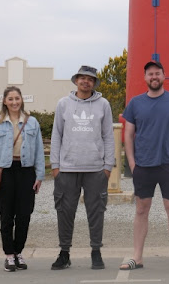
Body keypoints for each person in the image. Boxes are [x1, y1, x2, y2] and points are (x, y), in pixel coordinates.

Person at [119, 60, 169, 272]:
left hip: (168, 164)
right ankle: (137, 257)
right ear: (145, 78)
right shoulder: (135, 103)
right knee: (141, 210)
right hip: (143, 165)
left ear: (163, 76)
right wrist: (132, 163)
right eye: (150, 74)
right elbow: (128, 135)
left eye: (157, 73)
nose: (154, 77)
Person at [50, 65, 115, 270]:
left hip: (95, 169)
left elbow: (108, 136)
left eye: (90, 79)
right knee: (65, 212)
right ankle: (64, 253)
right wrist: (55, 166)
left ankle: (96, 252)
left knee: (96, 212)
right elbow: (56, 135)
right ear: (76, 80)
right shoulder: (63, 104)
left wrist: (107, 166)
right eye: (82, 78)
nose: (86, 82)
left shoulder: (103, 104)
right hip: (67, 168)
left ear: (94, 83)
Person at [0, 86, 45, 272]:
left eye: (17, 98)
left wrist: (39, 175)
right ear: (5, 101)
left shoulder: (32, 123)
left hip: (27, 172)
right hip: (5, 172)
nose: (14, 102)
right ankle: (9, 255)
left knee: (25, 215)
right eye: (11, 99)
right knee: (6, 216)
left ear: (22, 100)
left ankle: (18, 252)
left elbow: (39, 151)